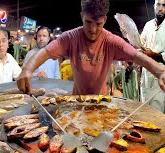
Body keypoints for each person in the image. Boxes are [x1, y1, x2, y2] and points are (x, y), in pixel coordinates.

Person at [17, 0, 165, 96]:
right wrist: (27, 69)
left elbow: (136, 55)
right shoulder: (70, 37)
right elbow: (46, 51)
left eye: (99, 24)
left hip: (101, 102)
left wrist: (160, 71)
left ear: (105, 20)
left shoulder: (111, 41)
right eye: (88, 22)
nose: (93, 29)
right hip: (76, 100)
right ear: (81, 16)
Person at [140, 0, 165, 112]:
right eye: (158, 5)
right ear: (153, 6)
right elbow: (140, 44)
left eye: (164, 5)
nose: (160, 8)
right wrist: (129, 35)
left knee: (157, 114)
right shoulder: (148, 25)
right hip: (145, 76)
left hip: (160, 77)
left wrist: (154, 55)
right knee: (143, 113)